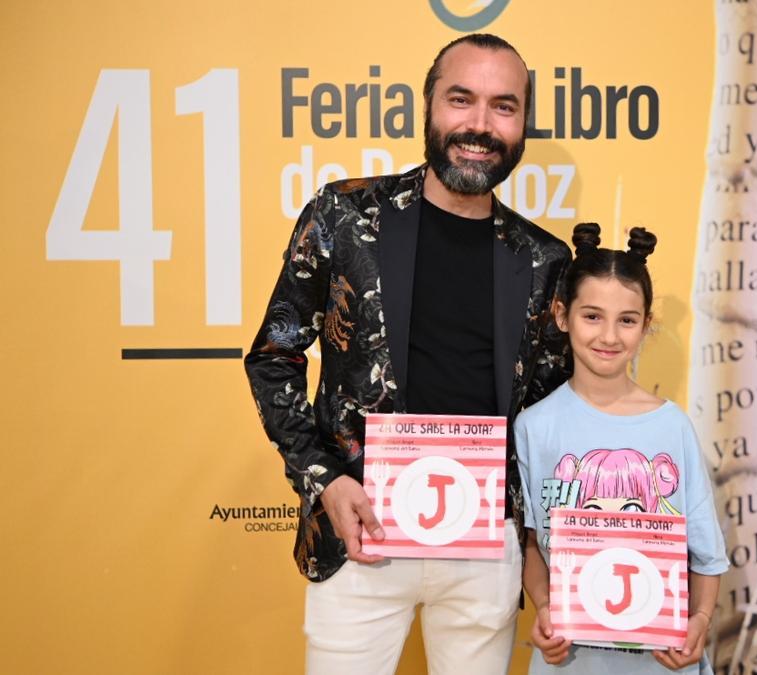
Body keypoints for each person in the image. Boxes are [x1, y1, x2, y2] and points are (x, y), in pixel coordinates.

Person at [244, 33, 571, 674]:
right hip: (360, 534)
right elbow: (273, 356)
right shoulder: (343, 216)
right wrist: (323, 480)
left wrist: (554, 567)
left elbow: (551, 421)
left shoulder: (545, 261)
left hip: (487, 551)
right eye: (461, 99)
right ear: (427, 107)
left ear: (524, 123)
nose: (479, 125)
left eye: (503, 106)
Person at [515, 224, 729, 674]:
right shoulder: (534, 426)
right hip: (570, 660)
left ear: (645, 325)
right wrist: (543, 605)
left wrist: (701, 620)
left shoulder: (672, 427)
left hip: (661, 661)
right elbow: (533, 542)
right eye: (592, 316)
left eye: (627, 320)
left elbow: (706, 552)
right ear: (561, 315)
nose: (609, 336)